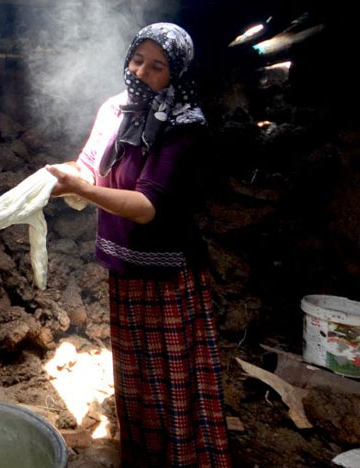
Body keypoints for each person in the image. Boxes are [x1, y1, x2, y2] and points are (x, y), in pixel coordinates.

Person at [46, 23, 232, 468]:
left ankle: (186, 459)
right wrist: (45, 185)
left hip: (168, 273)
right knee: (136, 378)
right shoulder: (115, 109)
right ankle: (145, 458)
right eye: (137, 60)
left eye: (157, 66)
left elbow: (148, 206)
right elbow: (89, 167)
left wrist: (85, 192)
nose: (142, 72)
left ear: (177, 72)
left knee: (173, 380)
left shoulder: (186, 126)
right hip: (126, 266)